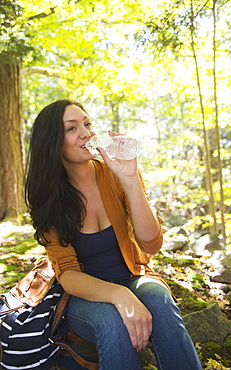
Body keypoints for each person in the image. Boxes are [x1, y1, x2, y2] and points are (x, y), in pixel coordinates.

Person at [25, 99, 202, 370]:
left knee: (159, 299)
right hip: (85, 296)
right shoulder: (49, 198)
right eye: (72, 128)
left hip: (134, 276)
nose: (86, 133)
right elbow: (68, 274)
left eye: (87, 124)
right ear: (52, 143)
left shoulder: (115, 172)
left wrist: (130, 179)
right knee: (112, 320)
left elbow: (151, 244)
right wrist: (120, 295)